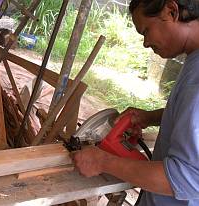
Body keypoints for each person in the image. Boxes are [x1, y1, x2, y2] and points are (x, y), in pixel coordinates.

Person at [71, 0, 199, 205]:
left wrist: (103, 162)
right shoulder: (194, 60)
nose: (146, 43)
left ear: (171, 11)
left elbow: (189, 178)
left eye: (146, 31)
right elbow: (190, 114)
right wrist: (152, 117)